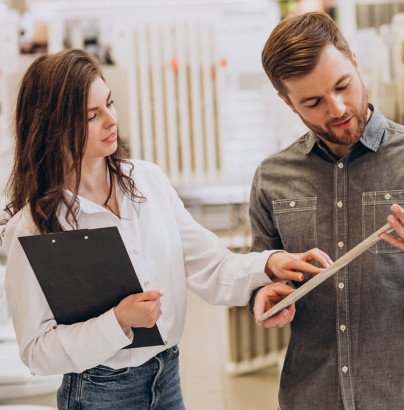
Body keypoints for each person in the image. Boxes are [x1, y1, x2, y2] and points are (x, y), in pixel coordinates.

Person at [0, 48, 331, 409]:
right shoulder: (33, 228)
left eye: (110, 104)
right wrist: (117, 322)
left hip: (167, 377)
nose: (112, 120)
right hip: (99, 393)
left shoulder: (147, 181)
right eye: (92, 115)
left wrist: (268, 265)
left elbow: (210, 265)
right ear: (54, 128)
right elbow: (37, 352)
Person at [249, 12, 404, 409]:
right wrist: (266, 295)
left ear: (355, 62)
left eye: (343, 85)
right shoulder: (271, 178)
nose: (339, 107)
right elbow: (260, 274)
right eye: (313, 102)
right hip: (312, 397)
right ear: (287, 103)